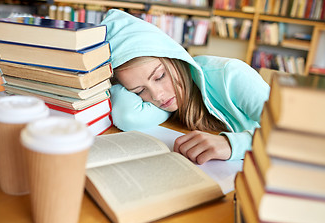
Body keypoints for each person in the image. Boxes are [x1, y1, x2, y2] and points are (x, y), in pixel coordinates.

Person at [101, 9, 270, 164]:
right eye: (139, 91)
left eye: (160, 76)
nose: (157, 96)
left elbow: (294, 134)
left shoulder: (230, 74)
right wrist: (108, 82)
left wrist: (232, 144)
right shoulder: (167, 100)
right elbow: (127, 115)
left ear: (174, 57)